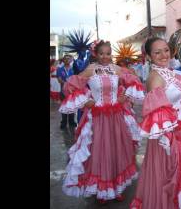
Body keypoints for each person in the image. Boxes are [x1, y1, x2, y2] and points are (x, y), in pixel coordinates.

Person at [130, 37, 181, 209]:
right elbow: (157, 119)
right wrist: (173, 143)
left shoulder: (172, 73)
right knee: (171, 176)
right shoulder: (155, 78)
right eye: (157, 52)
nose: (163, 55)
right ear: (149, 56)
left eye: (166, 50)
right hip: (168, 138)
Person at [59, 40, 144, 203]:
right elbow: (70, 86)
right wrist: (86, 100)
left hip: (117, 118)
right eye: (101, 53)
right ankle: (102, 189)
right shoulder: (90, 69)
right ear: (95, 54)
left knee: (117, 151)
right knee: (100, 152)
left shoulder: (117, 69)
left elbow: (134, 81)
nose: (105, 57)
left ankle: (116, 186)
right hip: (98, 119)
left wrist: (124, 96)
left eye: (108, 53)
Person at [57, 54, 77, 130]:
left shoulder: (73, 69)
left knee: (71, 106)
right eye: (65, 59)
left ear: (71, 60)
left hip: (72, 91)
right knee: (64, 107)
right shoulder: (60, 69)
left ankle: (71, 121)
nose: (67, 60)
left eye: (69, 59)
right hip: (63, 91)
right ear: (63, 60)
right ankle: (64, 122)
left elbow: (75, 79)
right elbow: (59, 80)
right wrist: (66, 83)